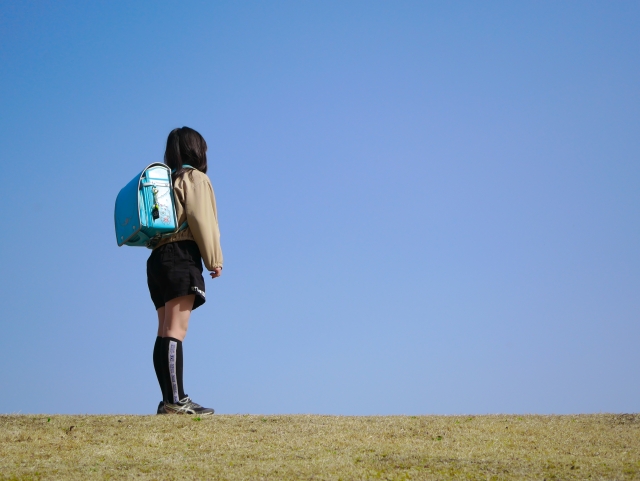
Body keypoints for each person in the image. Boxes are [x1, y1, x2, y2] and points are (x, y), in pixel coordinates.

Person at [147, 127, 223, 415]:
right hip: (181, 256)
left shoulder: (167, 181)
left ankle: (169, 400)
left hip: (157, 259)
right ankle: (176, 402)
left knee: (165, 329)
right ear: (197, 150)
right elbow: (202, 220)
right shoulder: (195, 179)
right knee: (176, 330)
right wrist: (214, 259)